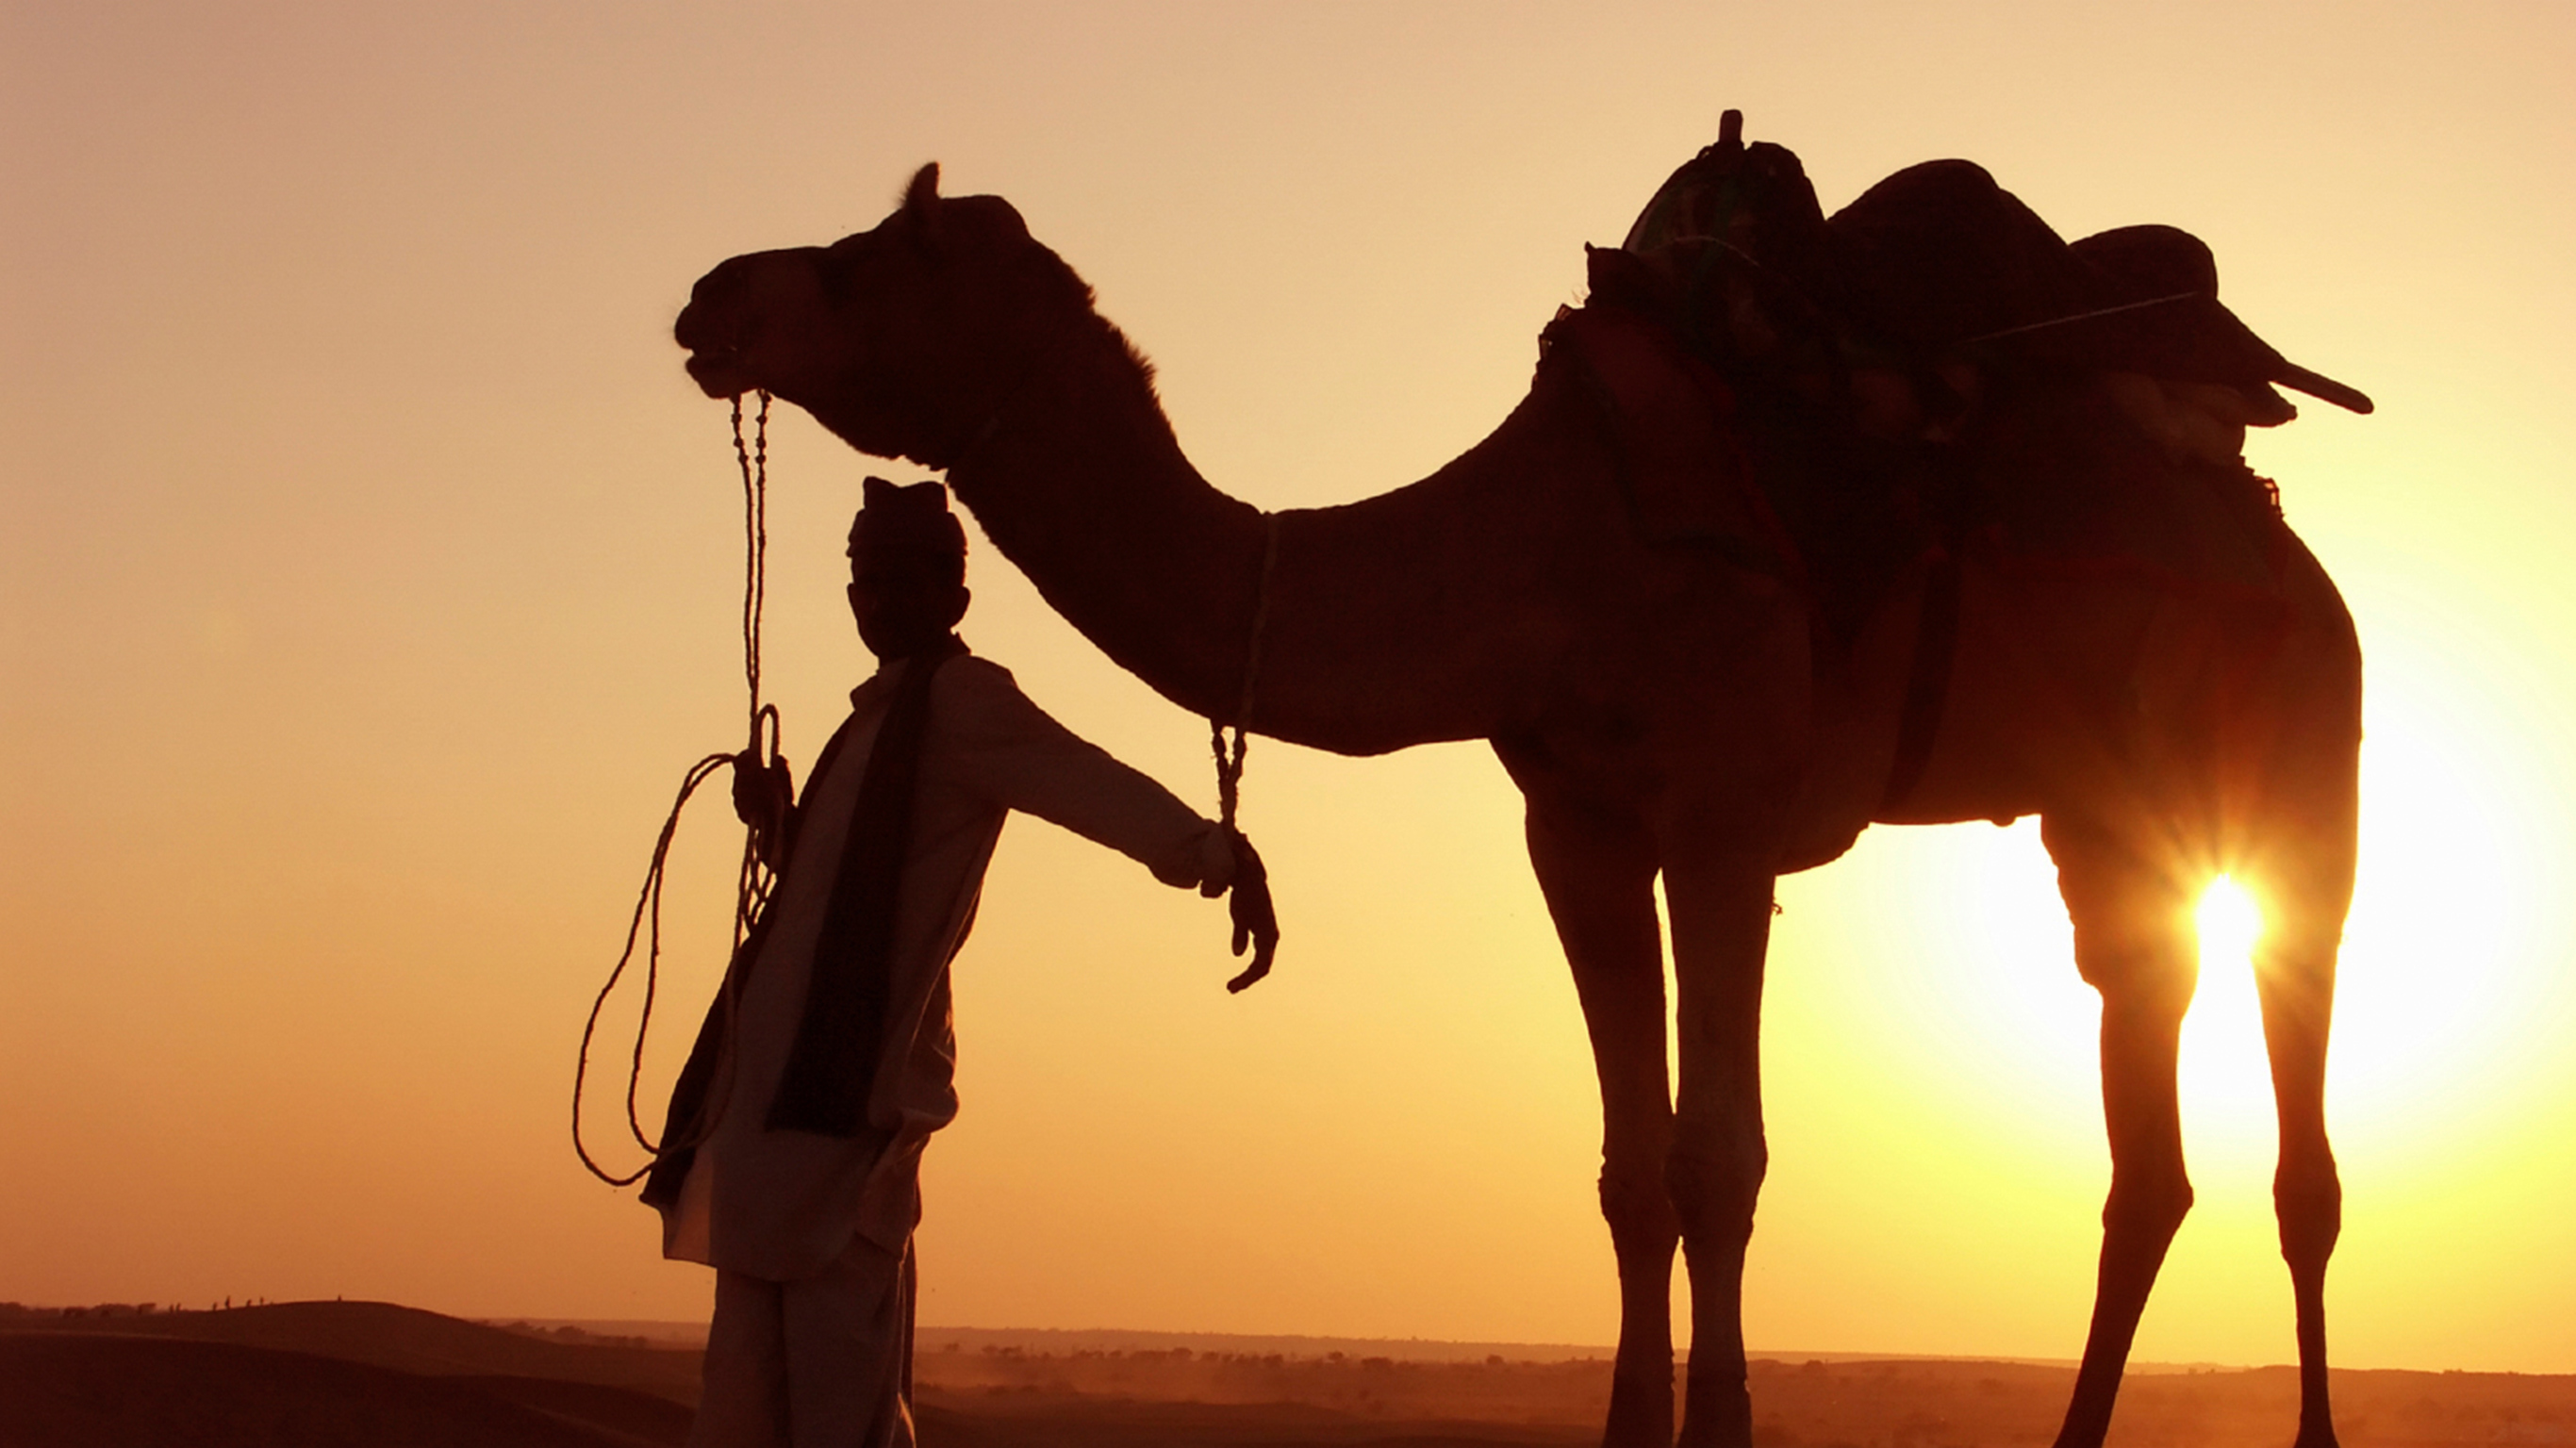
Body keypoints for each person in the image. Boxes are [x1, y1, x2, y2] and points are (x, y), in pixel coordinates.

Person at [639, 476, 1276, 1448]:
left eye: (900, 583)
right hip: (765, 1120)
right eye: (865, 584)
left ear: (953, 598)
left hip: (848, 1117)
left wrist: (1214, 854)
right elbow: (833, 894)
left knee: (841, 1408)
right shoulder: (871, 723)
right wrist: (782, 828)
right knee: (743, 1411)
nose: (878, 604)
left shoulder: (963, 704)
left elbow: (1080, 778)